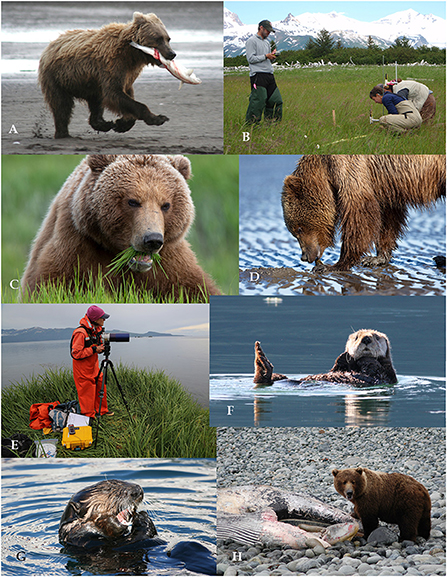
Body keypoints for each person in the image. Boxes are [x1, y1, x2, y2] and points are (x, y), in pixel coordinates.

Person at [70, 305, 113, 418]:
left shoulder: (95, 330)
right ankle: (89, 416)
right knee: (87, 392)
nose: (104, 320)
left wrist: (99, 348)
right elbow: (76, 353)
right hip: (82, 370)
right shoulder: (81, 332)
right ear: (94, 319)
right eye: (102, 317)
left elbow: (94, 347)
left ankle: (102, 410)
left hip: (94, 367)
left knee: (100, 386)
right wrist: (94, 349)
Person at [245, 19, 283, 124]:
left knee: (276, 101)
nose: (269, 33)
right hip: (258, 75)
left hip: (269, 75)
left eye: (270, 31)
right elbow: (250, 59)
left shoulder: (267, 43)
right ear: (261, 27)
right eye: (267, 30)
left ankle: (272, 124)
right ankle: (251, 126)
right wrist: (266, 56)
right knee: (258, 103)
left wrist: (272, 56)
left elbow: (266, 58)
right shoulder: (251, 41)